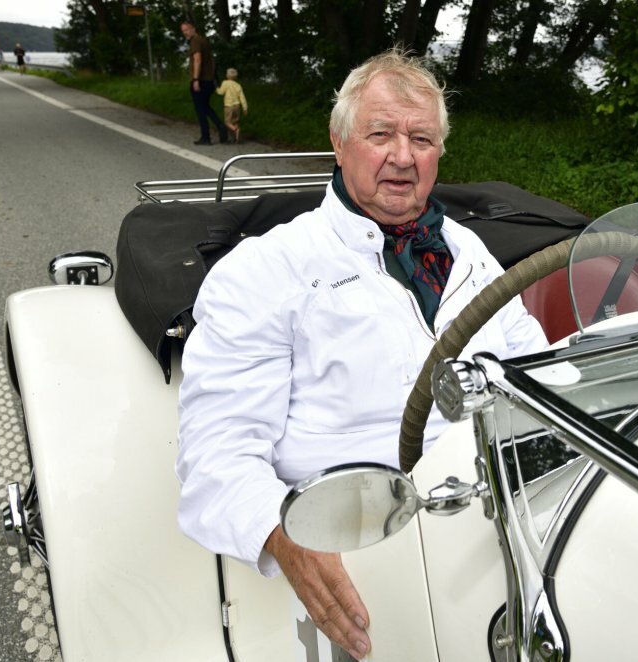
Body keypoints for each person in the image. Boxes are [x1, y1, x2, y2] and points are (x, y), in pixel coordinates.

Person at [175, 48, 548, 660]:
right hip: (356, 544)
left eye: (421, 138)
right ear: (340, 141)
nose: (403, 156)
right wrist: (284, 536)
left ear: (439, 153)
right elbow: (217, 454)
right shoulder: (266, 272)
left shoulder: (472, 250)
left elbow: (533, 376)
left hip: (495, 522)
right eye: (381, 134)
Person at [180, 22, 227, 145]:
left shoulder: (195, 41)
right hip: (209, 80)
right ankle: (221, 126)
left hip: (201, 80)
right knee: (205, 106)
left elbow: (197, 59)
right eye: (183, 31)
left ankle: (206, 137)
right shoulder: (204, 40)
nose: (185, 33)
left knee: (200, 109)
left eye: (187, 30)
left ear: (193, 29)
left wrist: (196, 80)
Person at [215, 67, 248, 143]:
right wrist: (245, 108)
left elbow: (221, 92)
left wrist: (216, 88)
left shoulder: (225, 83)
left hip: (229, 106)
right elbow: (242, 97)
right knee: (235, 121)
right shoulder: (238, 85)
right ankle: (236, 138)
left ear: (227, 75)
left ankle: (235, 130)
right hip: (237, 106)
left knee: (227, 122)